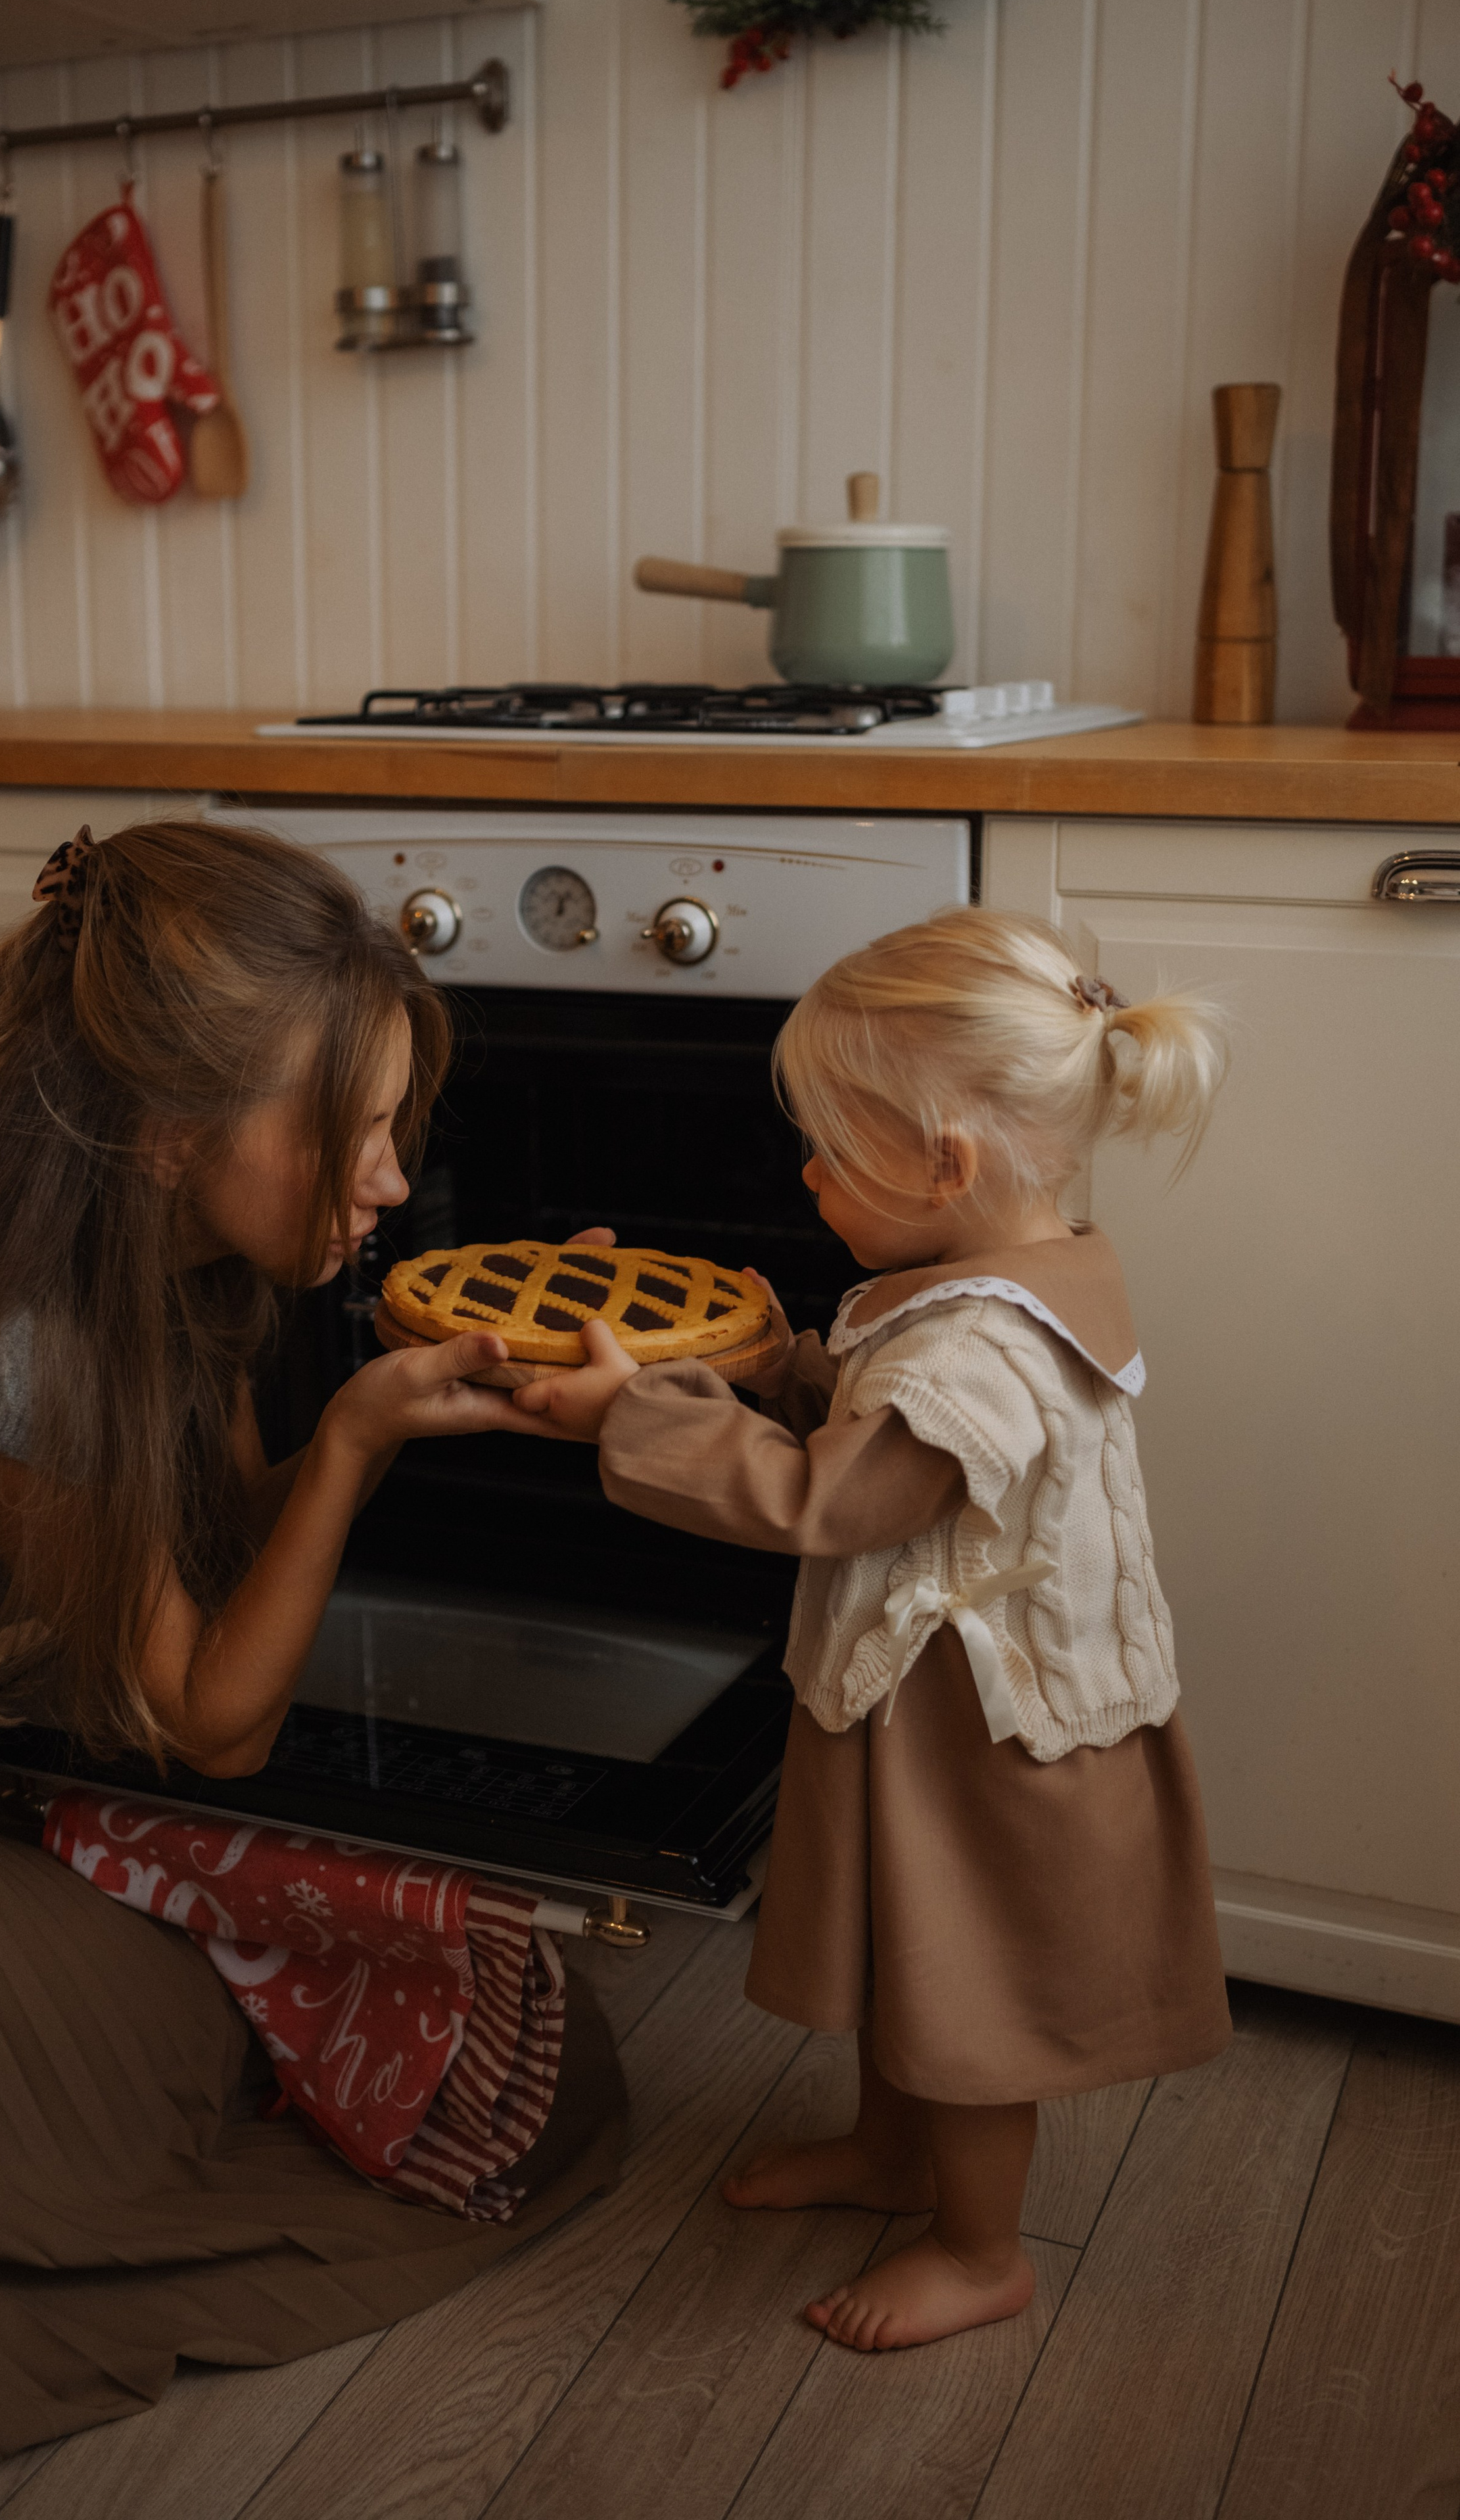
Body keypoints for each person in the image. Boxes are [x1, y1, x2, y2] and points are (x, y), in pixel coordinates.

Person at [0, 818, 623, 2500]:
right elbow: (213, 1721)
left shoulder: (160, 1264)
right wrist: (362, 1439)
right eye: (358, 1129)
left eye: (397, 1128)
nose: (390, 1179)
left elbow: (216, 1547)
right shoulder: (7, 1344)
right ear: (172, 1129)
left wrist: (401, 1390)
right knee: (255, 2070)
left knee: (449, 2008)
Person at [504, 907, 1233, 2354]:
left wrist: (631, 1410)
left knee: (971, 1993)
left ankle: (976, 2248)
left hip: (993, 1742)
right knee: (919, 1952)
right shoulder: (1016, 1270)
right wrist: (765, 1353)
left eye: (832, 1148)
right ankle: (892, 2157)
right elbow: (869, 1417)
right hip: (929, 1711)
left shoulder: (982, 1346)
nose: (807, 1171)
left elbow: (825, 1500)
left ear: (943, 1163)